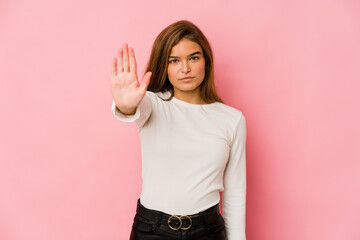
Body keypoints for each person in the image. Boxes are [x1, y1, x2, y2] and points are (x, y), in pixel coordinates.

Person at [110, 20, 247, 240]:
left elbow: (235, 193)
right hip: (152, 231)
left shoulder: (232, 119)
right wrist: (125, 103)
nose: (185, 68)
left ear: (206, 61)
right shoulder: (152, 103)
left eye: (193, 57)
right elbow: (132, 108)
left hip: (208, 231)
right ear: (163, 66)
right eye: (174, 60)